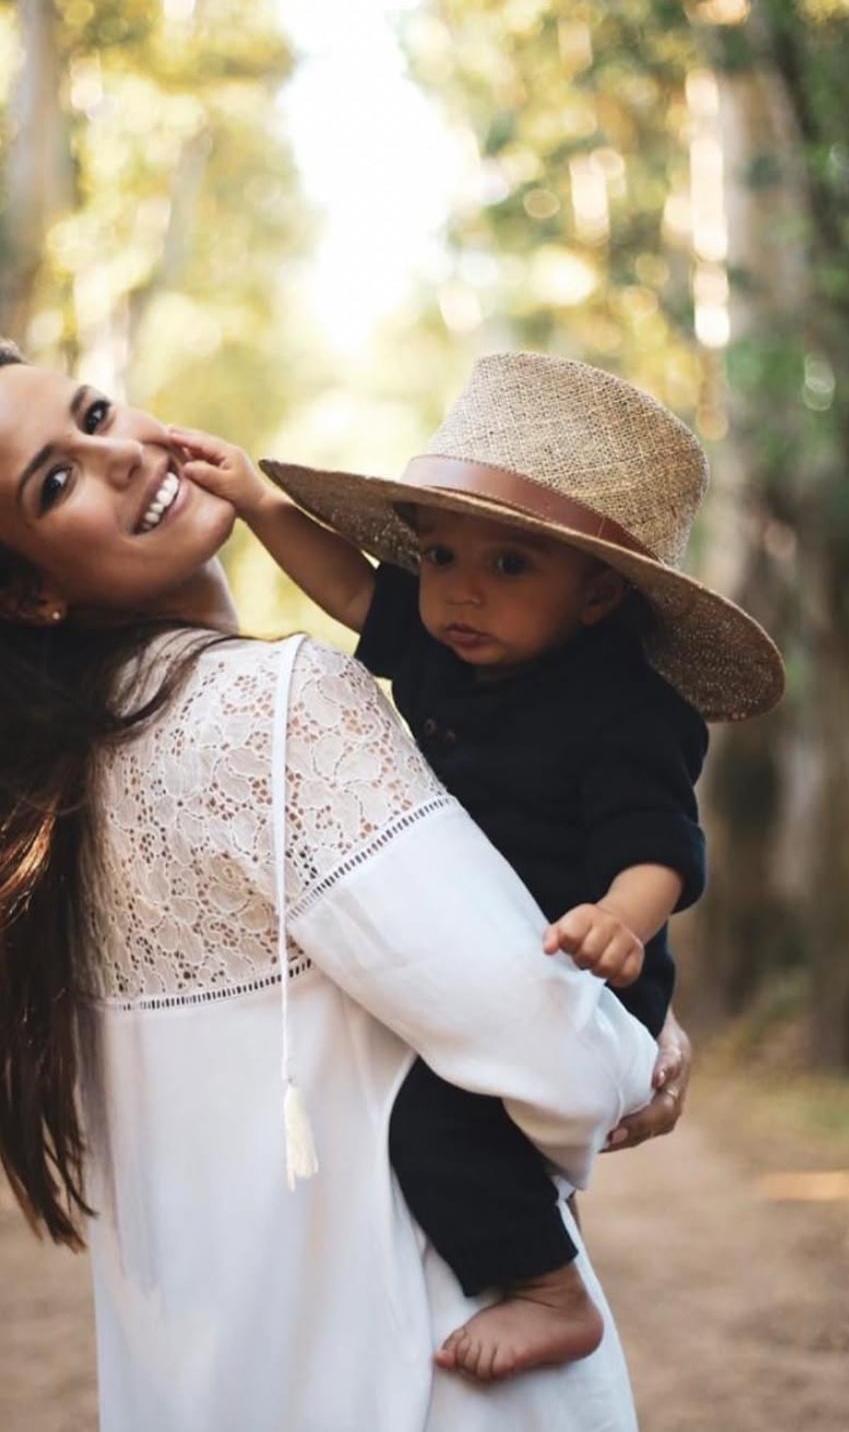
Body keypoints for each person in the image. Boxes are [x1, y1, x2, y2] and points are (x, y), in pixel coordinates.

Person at [0, 345, 688, 1432]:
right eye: (57, 479)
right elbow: (558, 1049)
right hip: (427, 1376)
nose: (121, 454)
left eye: (96, 412)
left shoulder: (50, 798)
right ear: (27, 590)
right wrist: (632, 1042)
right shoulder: (273, 711)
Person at [167, 351, 784, 1384]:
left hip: (581, 958)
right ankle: (513, 1238)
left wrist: (622, 921)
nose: (458, 591)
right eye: (441, 554)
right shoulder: (452, 643)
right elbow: (355, 591)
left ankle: (553, 1293)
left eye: (508, 566)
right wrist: (257, 501)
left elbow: (659, 845)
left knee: (441, 1130)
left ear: (597, 598)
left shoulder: (626, 708)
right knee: (431, 1110)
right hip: (476, 944)